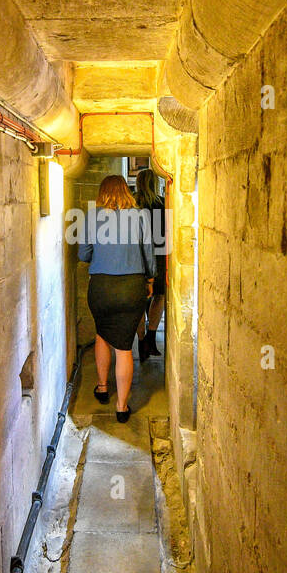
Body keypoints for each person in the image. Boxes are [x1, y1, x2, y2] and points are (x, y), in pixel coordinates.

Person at [78, 174, 155, 422]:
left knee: (102, 334)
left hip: (101, 287)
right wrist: (150, 279)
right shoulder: (141, 215)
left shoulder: (92, 216)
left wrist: (102, 255)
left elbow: (83, 253)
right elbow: (148, 252)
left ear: (102, 192)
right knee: (124, 347)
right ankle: (122, 407)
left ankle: (102, 387)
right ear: (126, 190)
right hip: (131, 287)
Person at [134, 168, 167, 363]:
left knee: (139, 301)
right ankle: (151, 337)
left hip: (137, 256)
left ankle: (140, 341)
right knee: (159, 295)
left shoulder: (132, 203)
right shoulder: (162, 204)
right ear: (156, 183)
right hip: (160, 256)